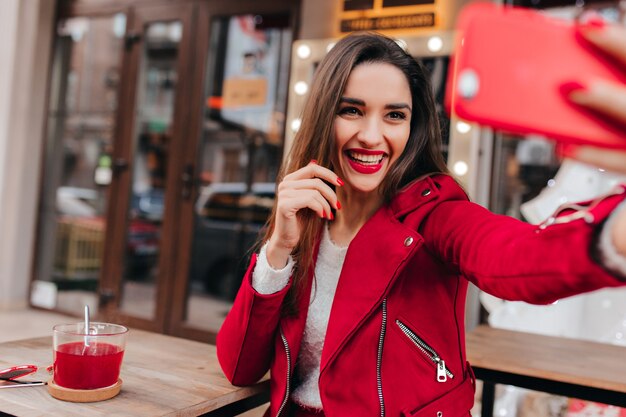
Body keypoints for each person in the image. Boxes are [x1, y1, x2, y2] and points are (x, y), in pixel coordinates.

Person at [217, 23, 626, 417]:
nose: (372, 136)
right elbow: (240, 367)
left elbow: (516, 255)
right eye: (352, 110)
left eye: (394, 115)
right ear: (325, 115)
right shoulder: (306, 220)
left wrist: (612, 236)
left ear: (413, 127)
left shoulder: (436, 217)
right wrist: (278, 251)